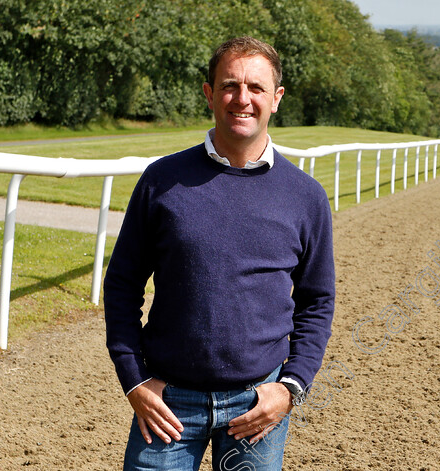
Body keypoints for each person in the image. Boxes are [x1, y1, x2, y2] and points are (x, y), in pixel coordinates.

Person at [103, 36, 336, 470]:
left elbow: (317, 301)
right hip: (167, 404)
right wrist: (133, 380)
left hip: (256, 408)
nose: (242, 99)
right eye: (230, 85)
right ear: (209, 93)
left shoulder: (306, 196)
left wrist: (291, 386)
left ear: (276, 98)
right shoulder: (161, 181)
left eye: (256, 88)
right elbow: (121, 284)